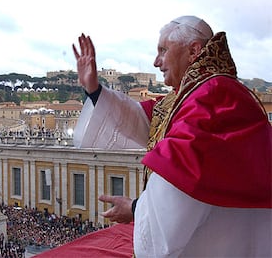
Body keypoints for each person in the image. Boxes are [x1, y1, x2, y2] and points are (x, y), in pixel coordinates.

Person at [72, 16, 272, 257]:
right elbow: (144, 120)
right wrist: (94, 90)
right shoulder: (200, 93)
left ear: (194, 50)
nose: (157, 62)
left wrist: (136, 208)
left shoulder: (212, 100)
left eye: (163, 50)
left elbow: (175, 194)